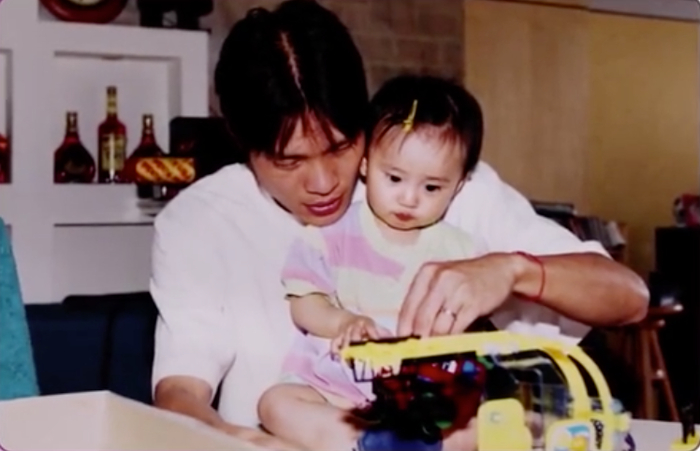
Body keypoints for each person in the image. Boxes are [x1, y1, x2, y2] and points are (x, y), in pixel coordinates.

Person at [149, 0, 649, 449]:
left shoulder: (428, 186)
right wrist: (246, 442)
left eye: (342, 146)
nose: (323, 182)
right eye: (289, 161)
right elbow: (180, 393)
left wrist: (513, 270)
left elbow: (629, 298)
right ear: (242, 143)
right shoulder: (200, 222)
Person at [258, 75, 483, 451]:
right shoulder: (329, 235)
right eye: (394, 178)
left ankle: (404, 442)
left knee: (486, 416)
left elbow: (469, 323)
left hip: (418, 394)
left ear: (458, 186)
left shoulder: (462, 253)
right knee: (275, 405)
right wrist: (344, 322)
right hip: (334, 387)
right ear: (365, 164)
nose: (409, 198)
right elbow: (304, 304)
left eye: (431, 187)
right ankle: (368, 442)